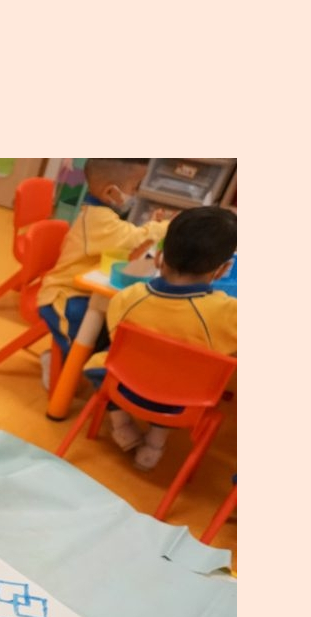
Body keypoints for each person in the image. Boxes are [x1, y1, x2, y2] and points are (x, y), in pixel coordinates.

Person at [90, 205, 237, 470]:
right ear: (223, 269)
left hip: (124, 386)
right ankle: (155, 444)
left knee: (96, 363)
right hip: (181, 403)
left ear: (159, 257)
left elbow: (115, 337)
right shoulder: (229, 314)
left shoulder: (127, 297)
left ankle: (121, 425)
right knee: (183, 377)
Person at [36, 158, 171, 388]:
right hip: (62, 296)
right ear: (111, 192)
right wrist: (165, 226)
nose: (136, 193)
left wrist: (151, 229)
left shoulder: (104, 216)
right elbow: (133, 237)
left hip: (84, 290)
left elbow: (129, 243)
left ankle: (77, 359)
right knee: (85, 334)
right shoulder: (97, 219)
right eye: (135, 187)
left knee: (107, 325)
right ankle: (56, 360)